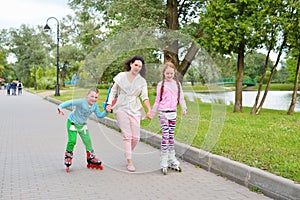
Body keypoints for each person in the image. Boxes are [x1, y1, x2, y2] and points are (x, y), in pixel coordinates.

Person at [105, 55, 152, 172]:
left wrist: (149, 110)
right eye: (136, 65)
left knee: (136, 137)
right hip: (121, 106)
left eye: (140, 66)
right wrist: (109, 103)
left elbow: (145, 97)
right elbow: (113, 90)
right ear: (131, 64)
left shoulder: (142, 81)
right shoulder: (121, 76)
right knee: (127, 136)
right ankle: (129, 161)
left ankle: (127, 153)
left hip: (135, 108)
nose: (137, 68)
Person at [57, 88, 107, 172]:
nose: (94, 99)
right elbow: (70, 102)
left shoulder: (95, 106)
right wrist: (60, 107)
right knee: (72, 141)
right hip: (72, 123)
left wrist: (107, 111)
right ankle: (68, 156)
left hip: (82, 125)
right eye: (92, 96)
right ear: (87, 96)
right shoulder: (81, 102)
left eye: (96, 97)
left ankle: (90, 157)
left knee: (88, 141)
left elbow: (100, 115)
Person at [151, 62, 187, 175]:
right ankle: (164, 159)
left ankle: (172, 158)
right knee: (165, 136)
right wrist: (152, 112)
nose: (169, 75)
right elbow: (157, 100)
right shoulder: (161, 85)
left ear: (174, 73)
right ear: (164, 73)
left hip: (173, 113)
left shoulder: (177, 85)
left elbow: (181, 98)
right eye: (167, 73)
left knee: (171, 136)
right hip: (163, 113)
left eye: (171, 73)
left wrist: (184, 108)